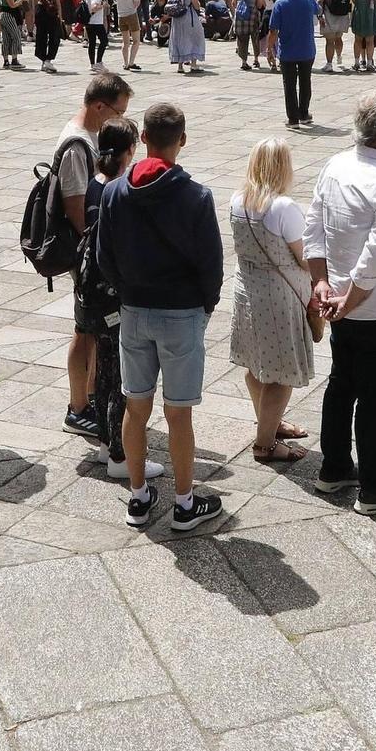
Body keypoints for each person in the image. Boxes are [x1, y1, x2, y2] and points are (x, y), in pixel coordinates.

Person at [95, 103, 226, 532]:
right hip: (182, 312)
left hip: (134, 311)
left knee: (136, 405)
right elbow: (212, 265)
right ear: (181, 141)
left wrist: (127, 292)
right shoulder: (196, 196)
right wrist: (204, 307)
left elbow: (103, 257)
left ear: (144, 138)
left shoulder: (115, 191)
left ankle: (137, 496)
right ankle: (185, 504)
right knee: (179, 413)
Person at [304, 92, 376, 514]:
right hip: (372, 307)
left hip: (337, 299)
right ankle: (375, 485)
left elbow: (312, 224)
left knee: (341, 382)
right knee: (374, 395)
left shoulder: (335, 165)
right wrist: (350, 298)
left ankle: (334, 468)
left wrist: (321, 283)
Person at [76, 116, 157, 482]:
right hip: (114, 296)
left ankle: (107, 440)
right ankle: (121, 455)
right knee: (121, 376)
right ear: (130, 150)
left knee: (105, 370)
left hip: (90, 292)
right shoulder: (121, 187)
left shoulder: (94, 184)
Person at [56, 73, 133, 441]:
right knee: (84, 331)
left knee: (92, 332)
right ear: (99, 106)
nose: (119, 119)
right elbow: (77, 208)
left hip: (92, 253)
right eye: (118, 111)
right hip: (86, 256)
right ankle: (78, 406)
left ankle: (90, 399)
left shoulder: (89, 141)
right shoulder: (77, 147)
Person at [228, 138, 315, 467]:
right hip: (278, 295)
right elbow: (305, 259)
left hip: (246, 290)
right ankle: (265, 445)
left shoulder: (237, 200)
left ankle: (270, 423)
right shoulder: (283, 207)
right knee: (280, 373)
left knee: (255, 364)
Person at [266, 0, 318, 128]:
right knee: (305, 82)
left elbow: (273, 30)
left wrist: (269, 49)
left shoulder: (280, 4)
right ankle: (304, 113)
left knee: (289, 85)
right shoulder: (309, 0)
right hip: (307, 48)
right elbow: (319, 10)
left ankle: (293, 118)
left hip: (288, 51)